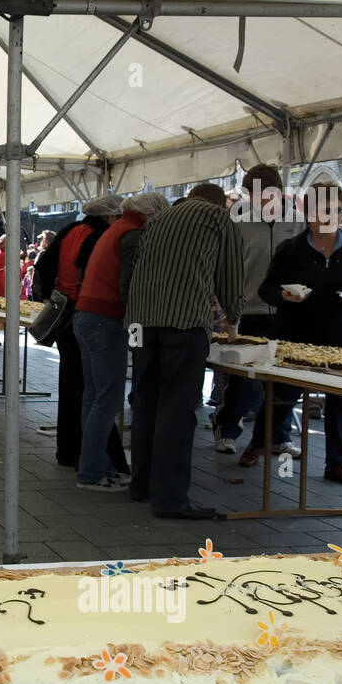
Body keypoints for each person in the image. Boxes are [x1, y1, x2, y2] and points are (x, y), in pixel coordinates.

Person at [248, 183, 342, 488]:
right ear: (308, 213)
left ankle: (338, 463)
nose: (332, 216)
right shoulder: (290, 249)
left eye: (337, 210)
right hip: (297, 334)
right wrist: (284, 295)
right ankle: (258, 443)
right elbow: (267, 289)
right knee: (281, 395)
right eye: (325, 211)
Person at [125, 184, 244, 519]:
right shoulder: (219, 219)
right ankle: (170, 498)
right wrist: (233, 320)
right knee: (178, 409)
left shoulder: (156, 220)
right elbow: (231, 274)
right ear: (221, 203)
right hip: (184, 321)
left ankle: (142, 485)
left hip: (141, 322)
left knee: (146, 402)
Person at [72, 192, 170, 490]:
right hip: (105, 319)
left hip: (86, 315)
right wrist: (139, 323)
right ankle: (90, 473)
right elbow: (128, 285)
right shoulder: (132, 235)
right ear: (151, 215)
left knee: (94, 397)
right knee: (107, 400)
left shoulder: (115, 229)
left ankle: (94, 465)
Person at [213, 164, 304, 456]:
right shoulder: (236, 221)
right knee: (243, 379)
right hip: (246, 310)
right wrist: (226, 307)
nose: (261, 202)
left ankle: (278, 435)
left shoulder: (298, 222)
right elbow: (223, 265)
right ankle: (227, 429)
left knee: (284, 379)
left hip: (287, 312)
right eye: (254, 196)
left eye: (266, 195)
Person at [45, 194, 124, 469]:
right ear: (111, 216)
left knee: (70, 387)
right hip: (92, 316)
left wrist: (50, 299)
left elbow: (43, 267)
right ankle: (100, 458)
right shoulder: (103, 236)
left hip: (65, 317)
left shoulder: (69, 230)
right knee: (97, 393)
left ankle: (67, 451)